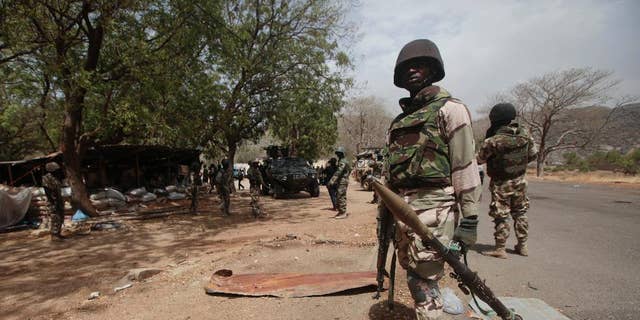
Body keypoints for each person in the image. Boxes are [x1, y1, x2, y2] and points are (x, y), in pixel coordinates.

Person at [383, 39, 481, 319]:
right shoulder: (398, 123)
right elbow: (389, 176)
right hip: (403, 209)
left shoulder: (450, 109)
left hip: (435, 209)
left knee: (423, 279)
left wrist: (470, 218)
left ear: (433, 69)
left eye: (419, 64)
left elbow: (464, 166)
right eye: (406, 68)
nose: (411, 71)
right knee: (415, 274)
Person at [476, 103, 538, 259]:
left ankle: (500, 248)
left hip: (501, 183)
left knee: (501, 215)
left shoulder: (494, 140)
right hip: (520, 180)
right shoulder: (526, 135)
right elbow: (532, 155)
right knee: (520, 213)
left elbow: (479, 159)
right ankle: (522, 246)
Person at [42, 162, 65, 240]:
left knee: (61, 216)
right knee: (55, 217)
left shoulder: (56, 177)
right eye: (56, 169)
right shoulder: (46, 178)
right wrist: (53, 201)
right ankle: (54, 234)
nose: (58, 171)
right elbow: (47, 190)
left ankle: (58, 233)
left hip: (58, 200)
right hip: (53, 201)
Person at [328, 147, 351, 219]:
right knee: (340, 195)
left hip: (342, 181)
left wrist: (331, 181)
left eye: (339, 153)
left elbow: (338, 172)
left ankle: (343, 212)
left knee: (340, 196)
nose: (337, 155)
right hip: (342, 180)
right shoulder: (343, 160)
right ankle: (341, 211)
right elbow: (349, 170)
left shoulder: (343, 162)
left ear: (342, 154)